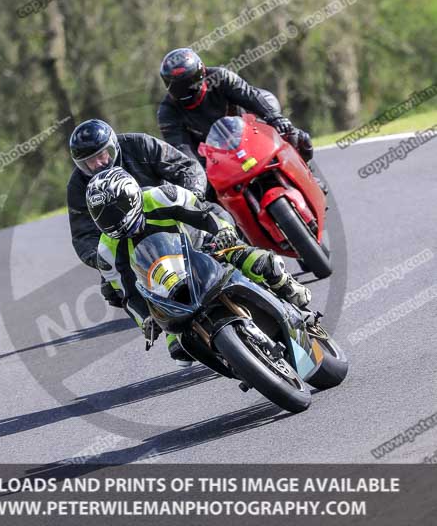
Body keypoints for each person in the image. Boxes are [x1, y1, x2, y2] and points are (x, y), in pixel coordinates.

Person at [86, 167, 311, 366]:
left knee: (259, 263)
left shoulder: (161, 196)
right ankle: (233, 360)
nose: (112, 219)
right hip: (166, 285)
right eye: (103, 217)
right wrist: (145, 319)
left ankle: (291, 293)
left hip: (203, 246)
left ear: (132, 196)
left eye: (116, 210)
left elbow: (205, 214)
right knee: (178, 348)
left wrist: (223, 231)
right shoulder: (106, 251)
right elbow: (127, 294)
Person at [67, 118, 208, 307]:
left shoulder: (140, 144)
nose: (99, 163)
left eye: (103, 154)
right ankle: (160, 320)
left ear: (113, 146)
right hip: (129, 242)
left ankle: (253, 269)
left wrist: (192, 197)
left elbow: (186, 167)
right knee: (110, 290)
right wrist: (103, 258)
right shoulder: (77, 185)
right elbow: (83, 235)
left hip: (171, 218)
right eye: (89, 162)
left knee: (217, 223)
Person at [157, 47, 315, 164]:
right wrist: (197, 171)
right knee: (205, 193)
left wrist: (275, 118)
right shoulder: (167, 112)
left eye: (189, 82)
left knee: (296, 137)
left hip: (249, 128)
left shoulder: (220, 77)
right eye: (177, 86)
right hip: (215, 154)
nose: (185, 90)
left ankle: (307, 171)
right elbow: (181, 147)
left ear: (201, 74)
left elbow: (249, 96)